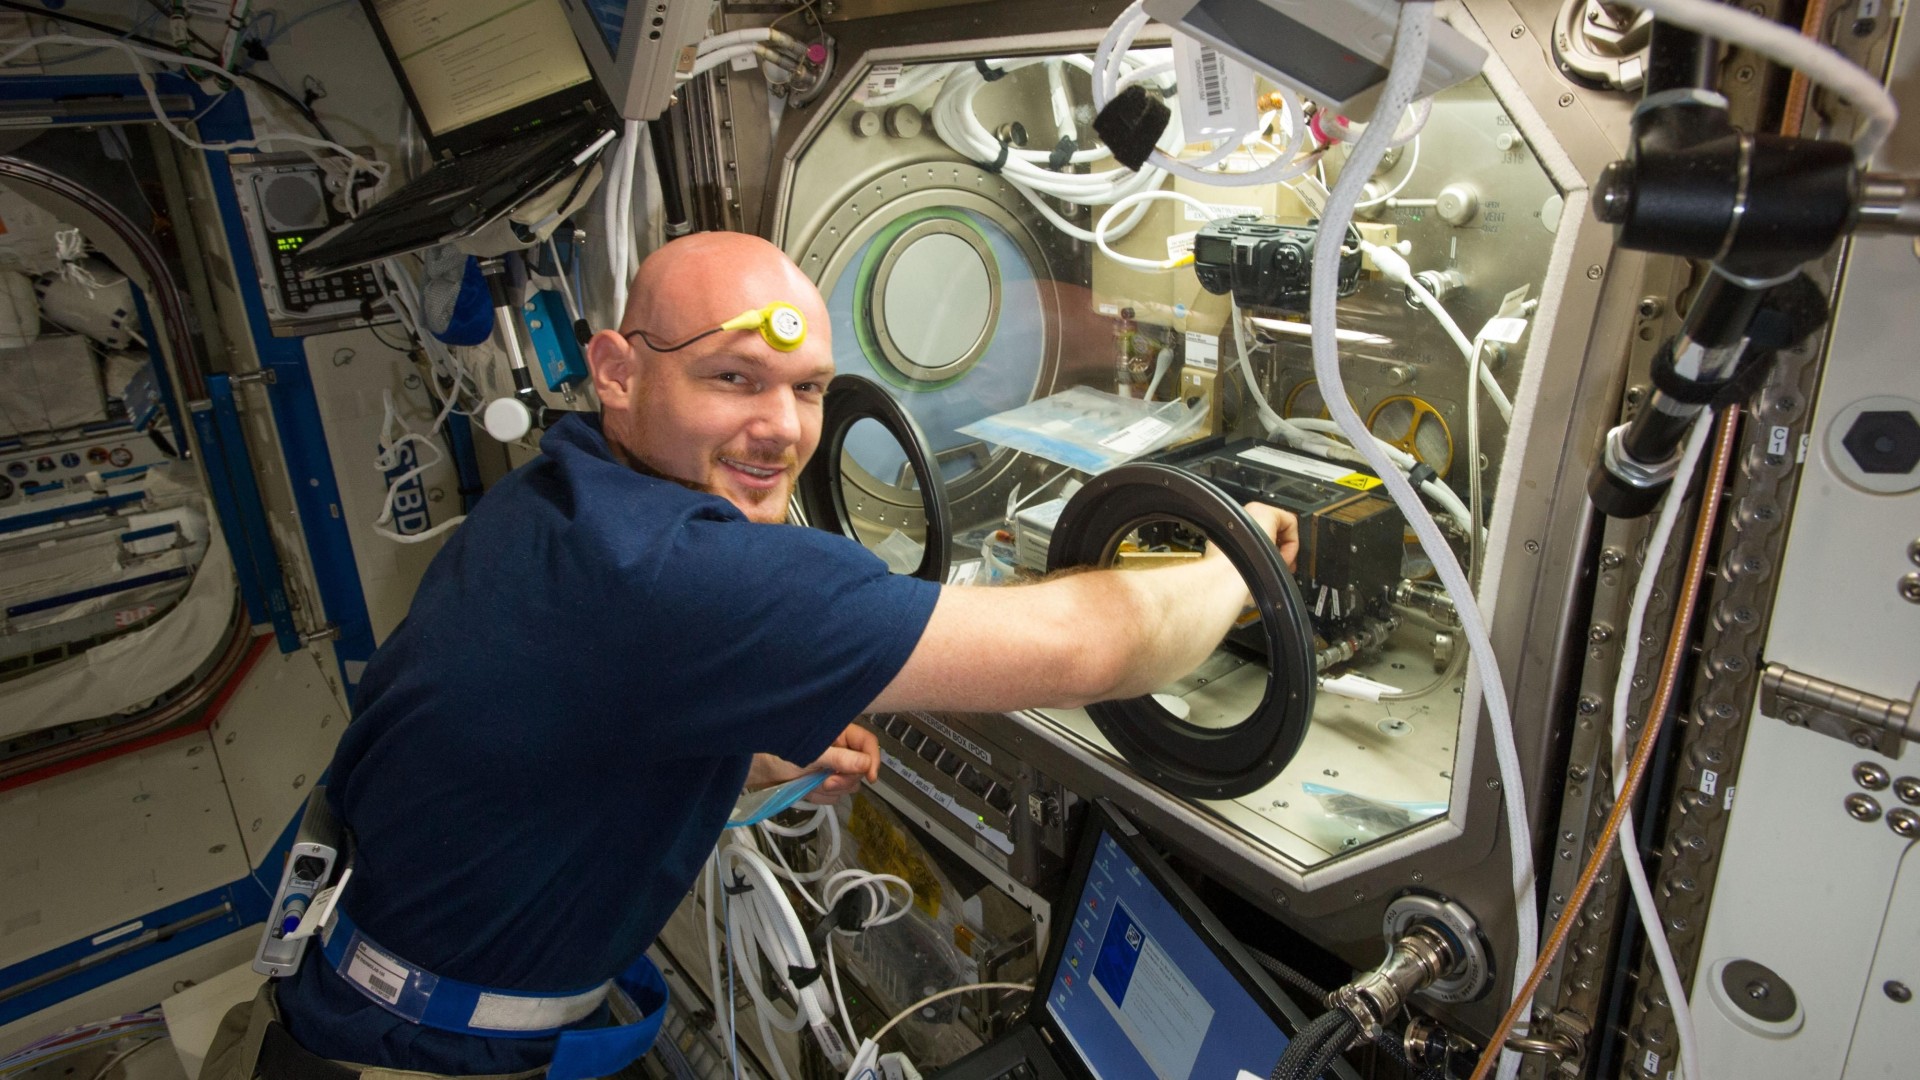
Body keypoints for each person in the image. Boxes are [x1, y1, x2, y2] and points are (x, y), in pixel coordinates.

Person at [204, 231, 1297, 1080]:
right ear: (616, 371)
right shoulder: (677, 576)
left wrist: (733, 762)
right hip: (412, 1058)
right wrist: (1240, 561)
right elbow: (1087, 646)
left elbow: (559, 726)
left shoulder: (562, 494)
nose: (784, 427)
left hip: (348, 995)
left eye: (809, 387)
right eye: (734, 378)